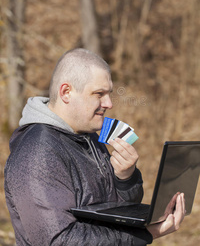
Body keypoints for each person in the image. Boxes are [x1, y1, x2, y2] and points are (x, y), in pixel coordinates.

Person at [4, 48, 185, 246]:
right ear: (66, 92)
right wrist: (146, 234)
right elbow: (58, 240)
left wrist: (125, 178)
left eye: (109, 94)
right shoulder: (37, 152)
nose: (108, 103)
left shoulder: (88, 136)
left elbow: (114, 213)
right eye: (99, 94)